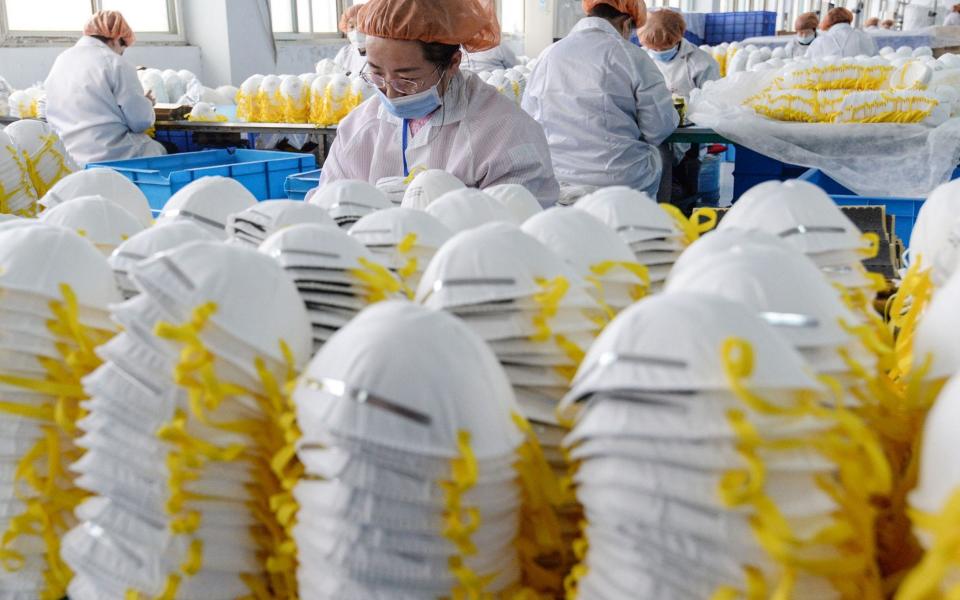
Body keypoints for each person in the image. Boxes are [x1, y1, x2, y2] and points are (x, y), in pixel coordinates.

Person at [319, 0, 560, 205]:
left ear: (453, 63)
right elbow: (326, 206)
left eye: (408, 80)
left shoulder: (506, 133)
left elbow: (518, 225)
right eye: (377, 75)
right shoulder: (356, 129)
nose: (390, 94)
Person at [522, 0, 678, 203]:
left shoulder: (548, 55)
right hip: (621, 182)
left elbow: (529, 120)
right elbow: (658, 129)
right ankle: (660, 225)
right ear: (625, 23)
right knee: (662, 153)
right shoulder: (632, 57)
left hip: (559, 179)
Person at [44, 10, 164, 167]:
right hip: (113, 154)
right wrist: (147, 103)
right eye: (123, 48)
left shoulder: (61, 60)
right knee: (162, 150)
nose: (122, 53)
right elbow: (140, 122)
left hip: (69, 156)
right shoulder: (116, 63)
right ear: (116, 38)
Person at [638, 9, 719, 209]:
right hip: (650, 130)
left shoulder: (701, 63)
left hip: (686, 137)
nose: (658, 52)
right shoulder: (639, 59)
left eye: (663, 47)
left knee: (681, 189)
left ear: (679, 36)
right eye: (653, 48)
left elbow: (713, 102)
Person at [807, 7, 879, 58]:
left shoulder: (821, 41)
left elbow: (807, 65)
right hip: (864, 79)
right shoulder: (867, 37)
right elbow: (878, 62)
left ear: (827, 20)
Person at [332, 4, 368, 76]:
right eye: (351, 26)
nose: (356, 31)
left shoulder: (378, 54)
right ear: (345, 28)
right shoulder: (345, 52)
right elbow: (334, 79)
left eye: (361, 26)